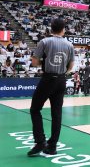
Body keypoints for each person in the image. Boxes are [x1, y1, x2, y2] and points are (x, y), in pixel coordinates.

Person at [28, 18, 75, 156]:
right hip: (61, 80)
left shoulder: (45, 42)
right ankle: (52, 146)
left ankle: (40, 141)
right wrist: (62, 73)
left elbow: (35, 63)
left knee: (35, 109)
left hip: (48, 78)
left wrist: (45, 61)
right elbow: (71, 66)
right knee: (57, 113)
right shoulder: (69, 44)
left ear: (51, 29)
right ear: (63, 29)